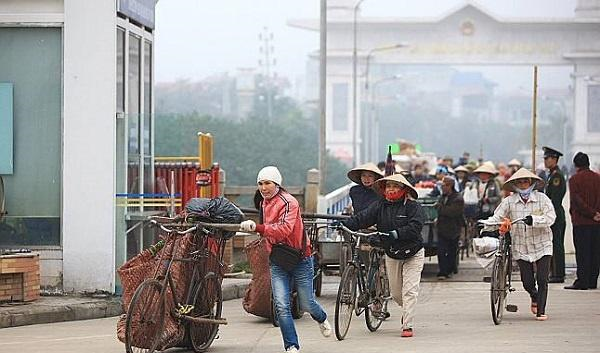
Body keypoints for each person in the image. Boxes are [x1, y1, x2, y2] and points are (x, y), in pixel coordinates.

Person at [240, 166, 331, 353]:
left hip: (301, 258)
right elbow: (268, 233)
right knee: (281, 305)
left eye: (267, 183)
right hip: (278, 260)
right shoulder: (264, 204)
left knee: (306, 303)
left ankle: (321, 317)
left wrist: (257, 228)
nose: (263, 188)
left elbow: (284, 230)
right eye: (260, 184)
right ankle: (291, 346)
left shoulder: (290, 202)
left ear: (277, 184)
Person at [341, 174, 425, 337]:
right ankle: (407, 309)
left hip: (413, 252)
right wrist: (345, 224)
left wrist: (395, 234)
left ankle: (407, 325)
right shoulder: (380, 205)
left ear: (404, 190)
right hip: (392, 253)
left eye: (395, 186)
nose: (391, 189)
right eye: (388, 186)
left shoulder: (413, 207)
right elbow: (363, 218)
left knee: (410, 290)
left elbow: (415, 227)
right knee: (396, 294)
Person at [483, 168, 556, 321]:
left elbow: (551, 218)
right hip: (521, 245)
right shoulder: (509, 201)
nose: (523, 184)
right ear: (515, 184)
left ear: (531, 183)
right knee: (527, 281)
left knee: (542, 278)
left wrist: (534, 220)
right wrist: (485, 225)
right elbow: (497, 217)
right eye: (520, 182)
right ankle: (534, 295)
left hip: (542, 244)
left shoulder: (542, 199)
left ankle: (541, 311)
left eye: (526, 181)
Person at [564, 152, 600, 290]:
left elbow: (577, 201)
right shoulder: (598, 178)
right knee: (595, 252)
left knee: (582, 252)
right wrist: (596, 213)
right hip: (597, 221)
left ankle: (582, 281)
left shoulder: (574, 180)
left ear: (576, 165)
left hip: (581, 221)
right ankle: (592, 280)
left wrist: (590, 213)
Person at [542, 146, 567, 283]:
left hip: (555, 214)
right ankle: (554, 272)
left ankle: (558, 274)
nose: (545, 161)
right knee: (553, 243)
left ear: (554, 159)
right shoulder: (551, 174)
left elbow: (555, 200)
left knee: (556, 245)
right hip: (553, 213)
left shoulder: (556, 176)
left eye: (547, 158)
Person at [435, 176, 464, 279]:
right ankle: (443, 271)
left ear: (450, 185)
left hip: (453, 229)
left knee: (452, 251)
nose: (442, 188)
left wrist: (439, 208)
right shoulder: (442, 197)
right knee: (441, 251)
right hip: (442, 228)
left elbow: (452, 212)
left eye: (444, 185)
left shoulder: (458, 198)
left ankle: (450, 269)